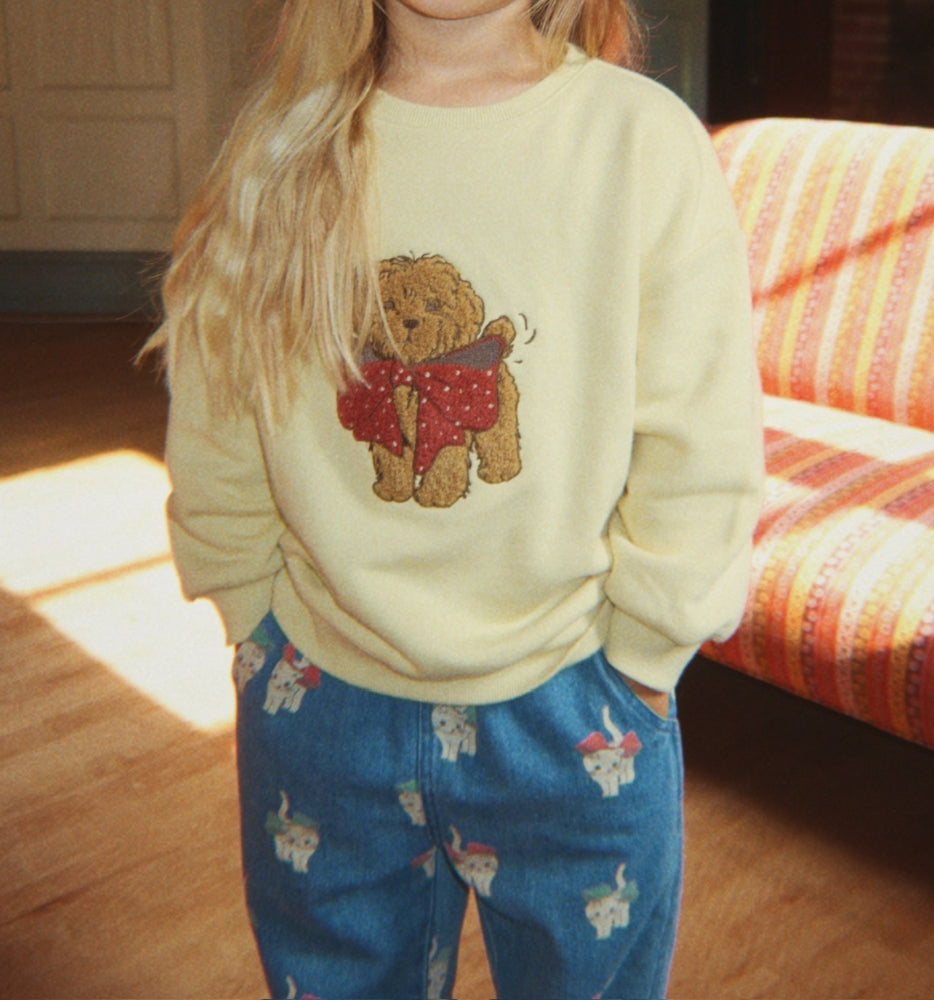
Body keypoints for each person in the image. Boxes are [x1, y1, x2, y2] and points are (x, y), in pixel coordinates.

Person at [147, 0, 764, 996]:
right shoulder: (281, 144)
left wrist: (646, 657)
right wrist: (245, 612)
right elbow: (219, 387)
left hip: (576, 702)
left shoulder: (639, 140)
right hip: (319, 693)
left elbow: (701, 427)